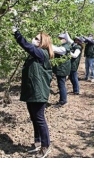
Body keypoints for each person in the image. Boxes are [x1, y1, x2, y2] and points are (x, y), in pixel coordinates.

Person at [12, 26, 54, 158]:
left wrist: (17, 33)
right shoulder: (34, 55)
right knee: (34, 118)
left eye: (37, 39)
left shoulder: (41, 53)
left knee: (40, 119)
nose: (33, 40)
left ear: (42, 43)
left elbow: (27, 46)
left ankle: (46, 146)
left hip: (38, 92)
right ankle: (38, 143)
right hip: (32, 92)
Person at [52, 32, 71, 106]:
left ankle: (63, 101)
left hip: (62, 69)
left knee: (61, 84)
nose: (59, 40)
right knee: (61, 84)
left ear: (65, 40)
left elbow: (56, 49)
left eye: (60, 39)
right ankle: (62, 100)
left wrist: (46, 43)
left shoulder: (64, 47)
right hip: (62, 69)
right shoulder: (64, 46)